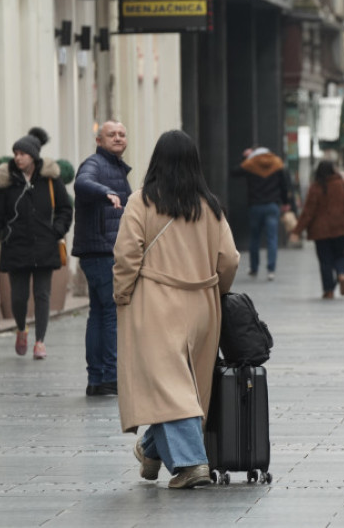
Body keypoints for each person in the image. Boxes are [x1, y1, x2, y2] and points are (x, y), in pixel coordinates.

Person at [113, 130, 239, 490]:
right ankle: (151, 451)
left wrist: (122, 294)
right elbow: (228, 260)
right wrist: (218, 291)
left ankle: (191, 463)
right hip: (201, 305)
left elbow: (126, 254)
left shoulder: (141, 202)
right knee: (185, 385)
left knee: (170, 387)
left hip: (154, 302)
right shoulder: (210, 207)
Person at [0, 128, 72, 360]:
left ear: (33, 156)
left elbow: (65, 208)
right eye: (16, 153)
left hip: (44, 245)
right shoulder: (6, 181)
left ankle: (40, 342)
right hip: (15, 246)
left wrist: (57, 231)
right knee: (19, 298)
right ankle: (22, 329)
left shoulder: (50, 179)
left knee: (43, 295)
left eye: (22, 153)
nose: (18, 157)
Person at [72, 120, 131, 397]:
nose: (118, 138)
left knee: (98, 313)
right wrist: (104, 192)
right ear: (99, 140)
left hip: (100, 250)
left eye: (121, 134)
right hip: (102, 252)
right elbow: (82, 183)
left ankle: (96, 378)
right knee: (110, 314)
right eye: (111, 134)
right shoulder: (95, 165)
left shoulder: (115, 167)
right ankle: (109, 375)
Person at [292, 160, 344, 299]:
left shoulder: (315, 187)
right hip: (340, 226)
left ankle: (328, 290)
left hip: (320, 230)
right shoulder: (342, 183)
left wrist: (297, 231)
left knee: (325, 260)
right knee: (340, 255)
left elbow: (308, 212)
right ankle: (341, 274)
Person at [232, 146, 292, 280]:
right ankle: (271, 270)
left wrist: (245, 158)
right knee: (272, 238)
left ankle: (254, 268)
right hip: (272, 205)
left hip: (255, 206)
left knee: (255, 238)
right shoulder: (277, 163)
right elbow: (284, 185)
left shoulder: (251, 163)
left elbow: (234, 172)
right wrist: (286, 202)